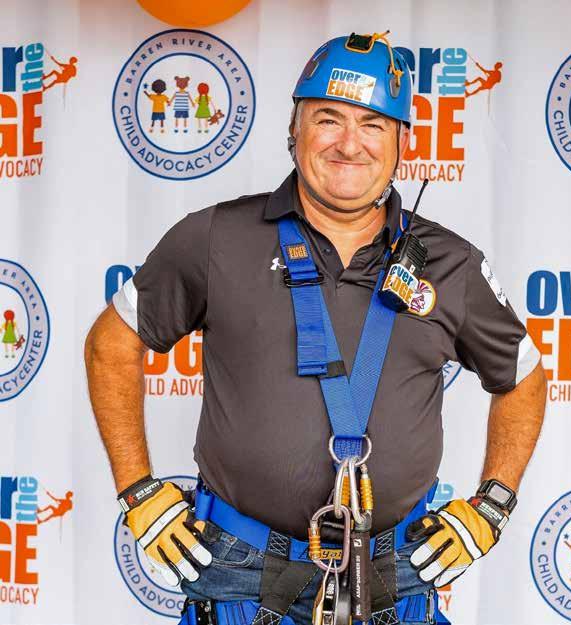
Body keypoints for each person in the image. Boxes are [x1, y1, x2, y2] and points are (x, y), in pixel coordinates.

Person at [85, 30, 546, 625]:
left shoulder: (449, 263)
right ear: (294, 130)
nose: (349, 143)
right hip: (241, 570)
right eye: (328, 119)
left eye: (373, 124)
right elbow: (111, 344)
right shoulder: (216, 237)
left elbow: (523, 378)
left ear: (402, 143)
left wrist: (492, 505)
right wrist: (138, 492)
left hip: (396, 573)